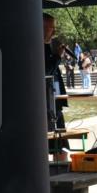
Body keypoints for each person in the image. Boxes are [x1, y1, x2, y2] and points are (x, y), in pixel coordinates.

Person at [43, 13, 69, 159]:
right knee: (51, 142)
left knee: (61, 144)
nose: (54, 31)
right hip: (46, 104)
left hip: (55, 102)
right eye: (51, 28)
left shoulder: (50, 46)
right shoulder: (36, 48)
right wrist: (58, 57)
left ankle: (63, 173)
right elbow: (46, 71)